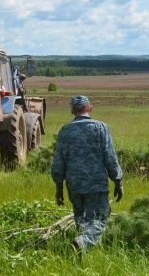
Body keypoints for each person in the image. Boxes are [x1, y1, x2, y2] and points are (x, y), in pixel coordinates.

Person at [51, 95, 124, 252]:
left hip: (74, 184)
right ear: (90, 108)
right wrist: (118, 181)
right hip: (96, 184)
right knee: (99, 219)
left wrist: (59, 187)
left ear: (72, 111)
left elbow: (58, 161)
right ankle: (82, 242)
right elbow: (110, 157)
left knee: (81, 220)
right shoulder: (100, 128)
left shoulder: (65, 131)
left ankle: (79, 252)